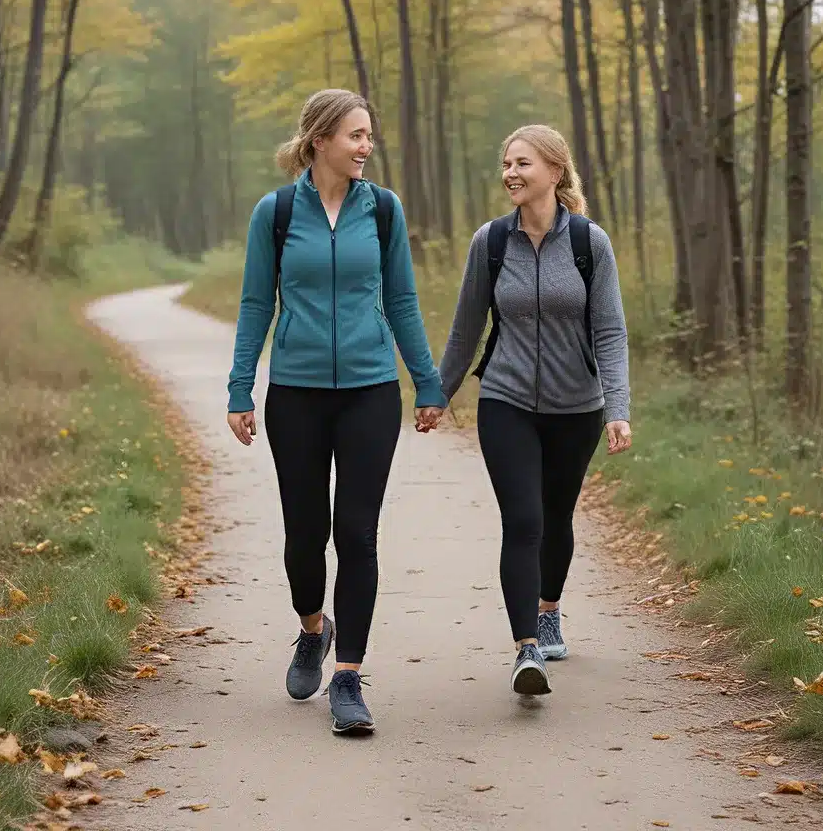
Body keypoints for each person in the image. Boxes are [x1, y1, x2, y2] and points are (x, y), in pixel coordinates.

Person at [226, 88, 445, 735]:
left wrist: (428, 383)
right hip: (295, 392)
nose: (366, 146)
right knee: (304, 533)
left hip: (371, 390)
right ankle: (312, 630)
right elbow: (254, 305)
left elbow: (402, 299)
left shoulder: (382, 210)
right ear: (320, 140)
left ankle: (348, 676)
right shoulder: (275, 213)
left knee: (356, 532)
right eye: (355, 135)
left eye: (369, 135)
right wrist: (241, 390)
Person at [437, 124, 631, 696]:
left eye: (522, 163)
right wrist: (438, 393)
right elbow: (467, 326)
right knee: (523, 520)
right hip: (507, 399)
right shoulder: (491, 242)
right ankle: (527, 650)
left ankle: (549, 609)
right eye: (506, 163)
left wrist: (617, 408)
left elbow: (611, 331)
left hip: (578, 407)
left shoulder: (588, 243)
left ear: (554, 170)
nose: (511, 174)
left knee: (556, 514)